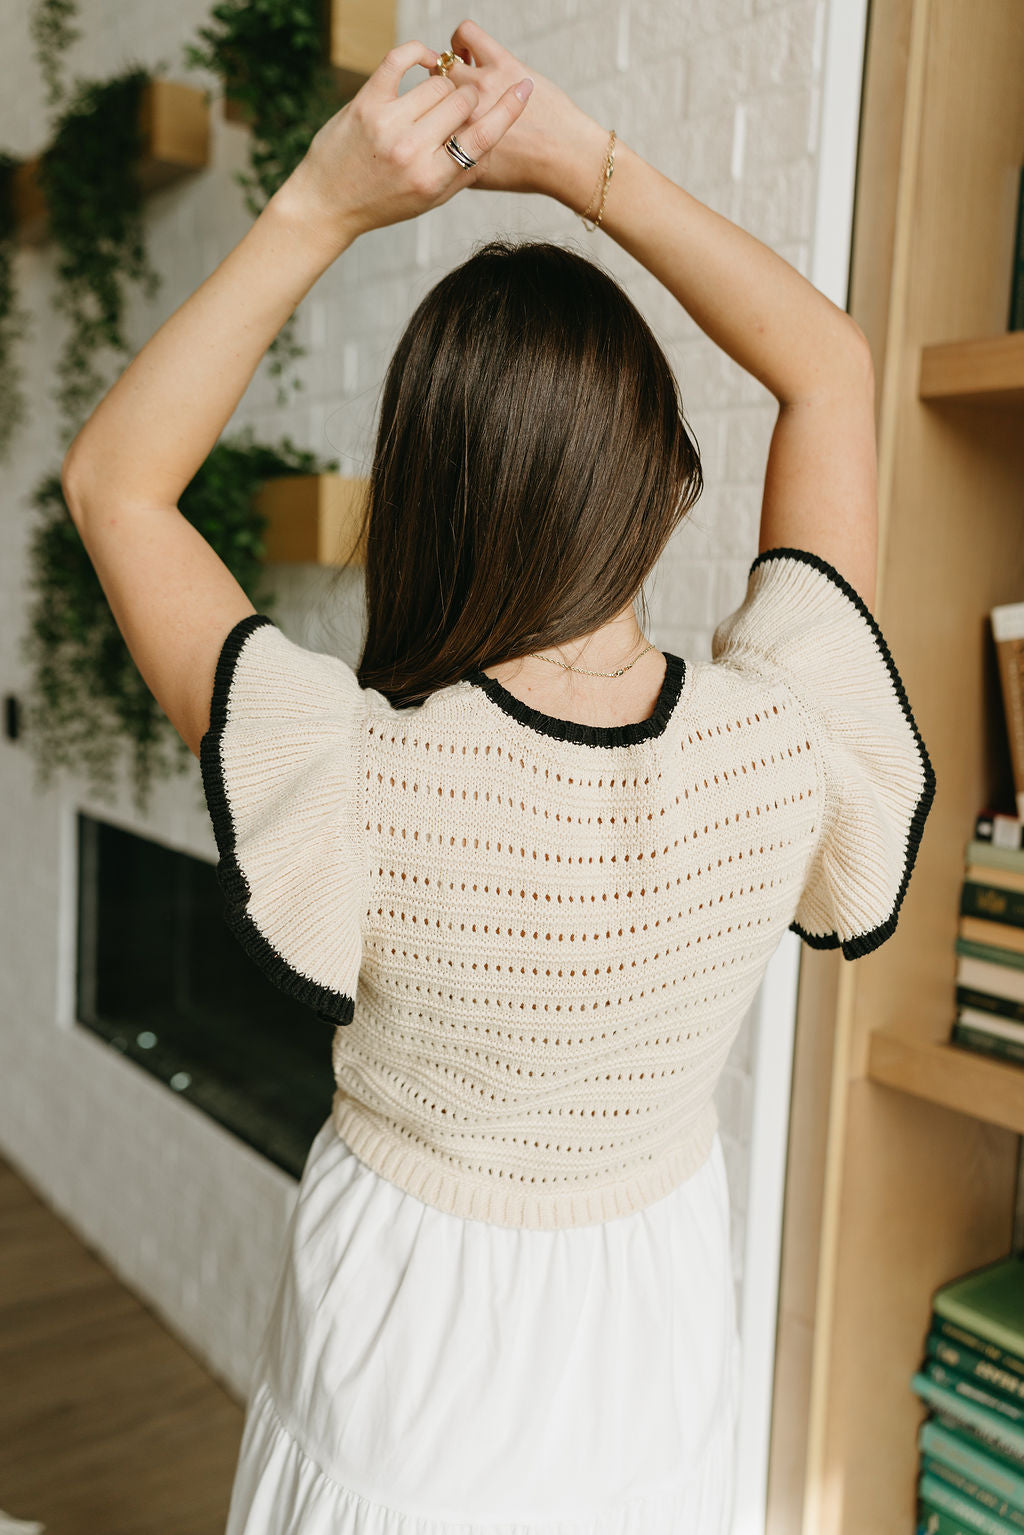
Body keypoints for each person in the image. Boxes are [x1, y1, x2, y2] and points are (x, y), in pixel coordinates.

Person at [61, 17, 936, 1534]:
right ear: (670, 485)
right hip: (656, 1358)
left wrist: (320, 203)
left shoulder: (355, 781)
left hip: (409, 1380)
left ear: (422, 502)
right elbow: (833, 373)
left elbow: (115, 483)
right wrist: (584, 168)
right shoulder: (785, 739)